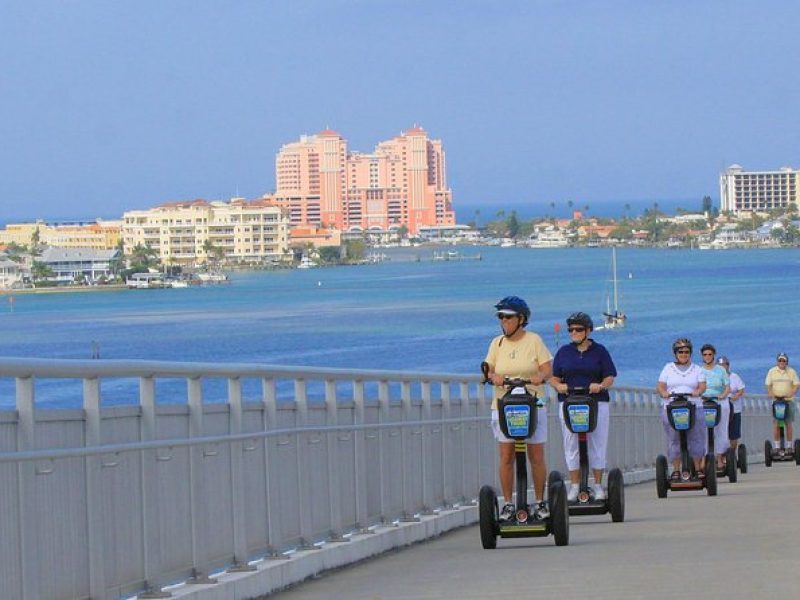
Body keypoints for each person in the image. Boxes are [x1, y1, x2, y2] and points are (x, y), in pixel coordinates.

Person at [484, 296, 553, 520]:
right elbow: (488, 370)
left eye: (508, 317)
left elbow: (547, 370)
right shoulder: (497, 344)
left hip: (533, 403)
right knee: (506, 455)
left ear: (521, 319)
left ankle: (541, 502)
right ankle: (508, 504)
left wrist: (538, 377)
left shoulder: (534, 341)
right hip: (504, 406)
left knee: (536, 454)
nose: (503, 320)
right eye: (501, 317)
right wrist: (493, 377)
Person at [549, 312, 617, 502]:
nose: (574, 332)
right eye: (571, 329)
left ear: (588, 330)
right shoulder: (563, 352)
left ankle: (597, 485)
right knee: (571, 445)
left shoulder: (600, 351)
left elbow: (610, 376)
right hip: (569, 403)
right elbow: (553, 377)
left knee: (597, 444)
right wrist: (558, 385)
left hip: (596, 402)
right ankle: (575, 485)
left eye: (578, 329)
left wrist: (601, 385)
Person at [656, 338, 707, 480]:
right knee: (674, 438)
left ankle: (697, 469)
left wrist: (698, 391)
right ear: (675, 353)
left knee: (696, 437)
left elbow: (702, 385)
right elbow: (660, 385)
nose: (684, 354)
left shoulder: (697, 369)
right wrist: (664, 392)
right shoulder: (668, 368)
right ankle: (676, 469)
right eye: (680, 352)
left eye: (686, 351)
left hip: (694, 405)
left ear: (690, 353)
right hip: (672, 406)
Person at [699, 344, 730, 470]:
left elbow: (727, 387)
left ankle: (719, 458)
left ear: (714, 355)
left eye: (710, 354)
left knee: (720, 431)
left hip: (719, 402)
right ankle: (704, 458)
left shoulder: (721, 370)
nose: (707, 357)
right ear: (702, 356)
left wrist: (723, 395)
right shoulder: (699, 370)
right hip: (704, 402)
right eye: (705, 354)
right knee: (704, 431)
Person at [765, 353, 800, 452]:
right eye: (780, 360)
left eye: (783, 361)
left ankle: (789, 446)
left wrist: (791, 393)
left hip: (788, 401)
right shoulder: (772, 371)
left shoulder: (791, 372)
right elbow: (768, 385)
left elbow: (796, 384)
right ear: (777, 362)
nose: (781, 362)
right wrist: (770, 393)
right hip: (777, 401)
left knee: (788, 423)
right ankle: (777, 446)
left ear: (786, 362)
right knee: (776, 423)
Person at [718, 356, 745, 453]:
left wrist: (736, 395)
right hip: (721, 409)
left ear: (728, 365)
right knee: (721, 432)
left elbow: (741, 389)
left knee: (733, 434)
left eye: (724, 365)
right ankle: (720, 455)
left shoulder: (734, 377)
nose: (722, 367)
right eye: (720, 365)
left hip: (735, 408)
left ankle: (731, 454)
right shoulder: (715, 378)